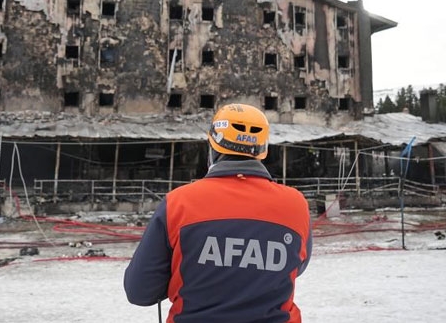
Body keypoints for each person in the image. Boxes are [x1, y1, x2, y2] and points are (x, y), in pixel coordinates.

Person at [124, 104, 313, 322]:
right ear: (262, 150)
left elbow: (140, 291)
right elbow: (295, 267)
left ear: (213, 148)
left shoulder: (179, 203)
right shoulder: (296, 205)